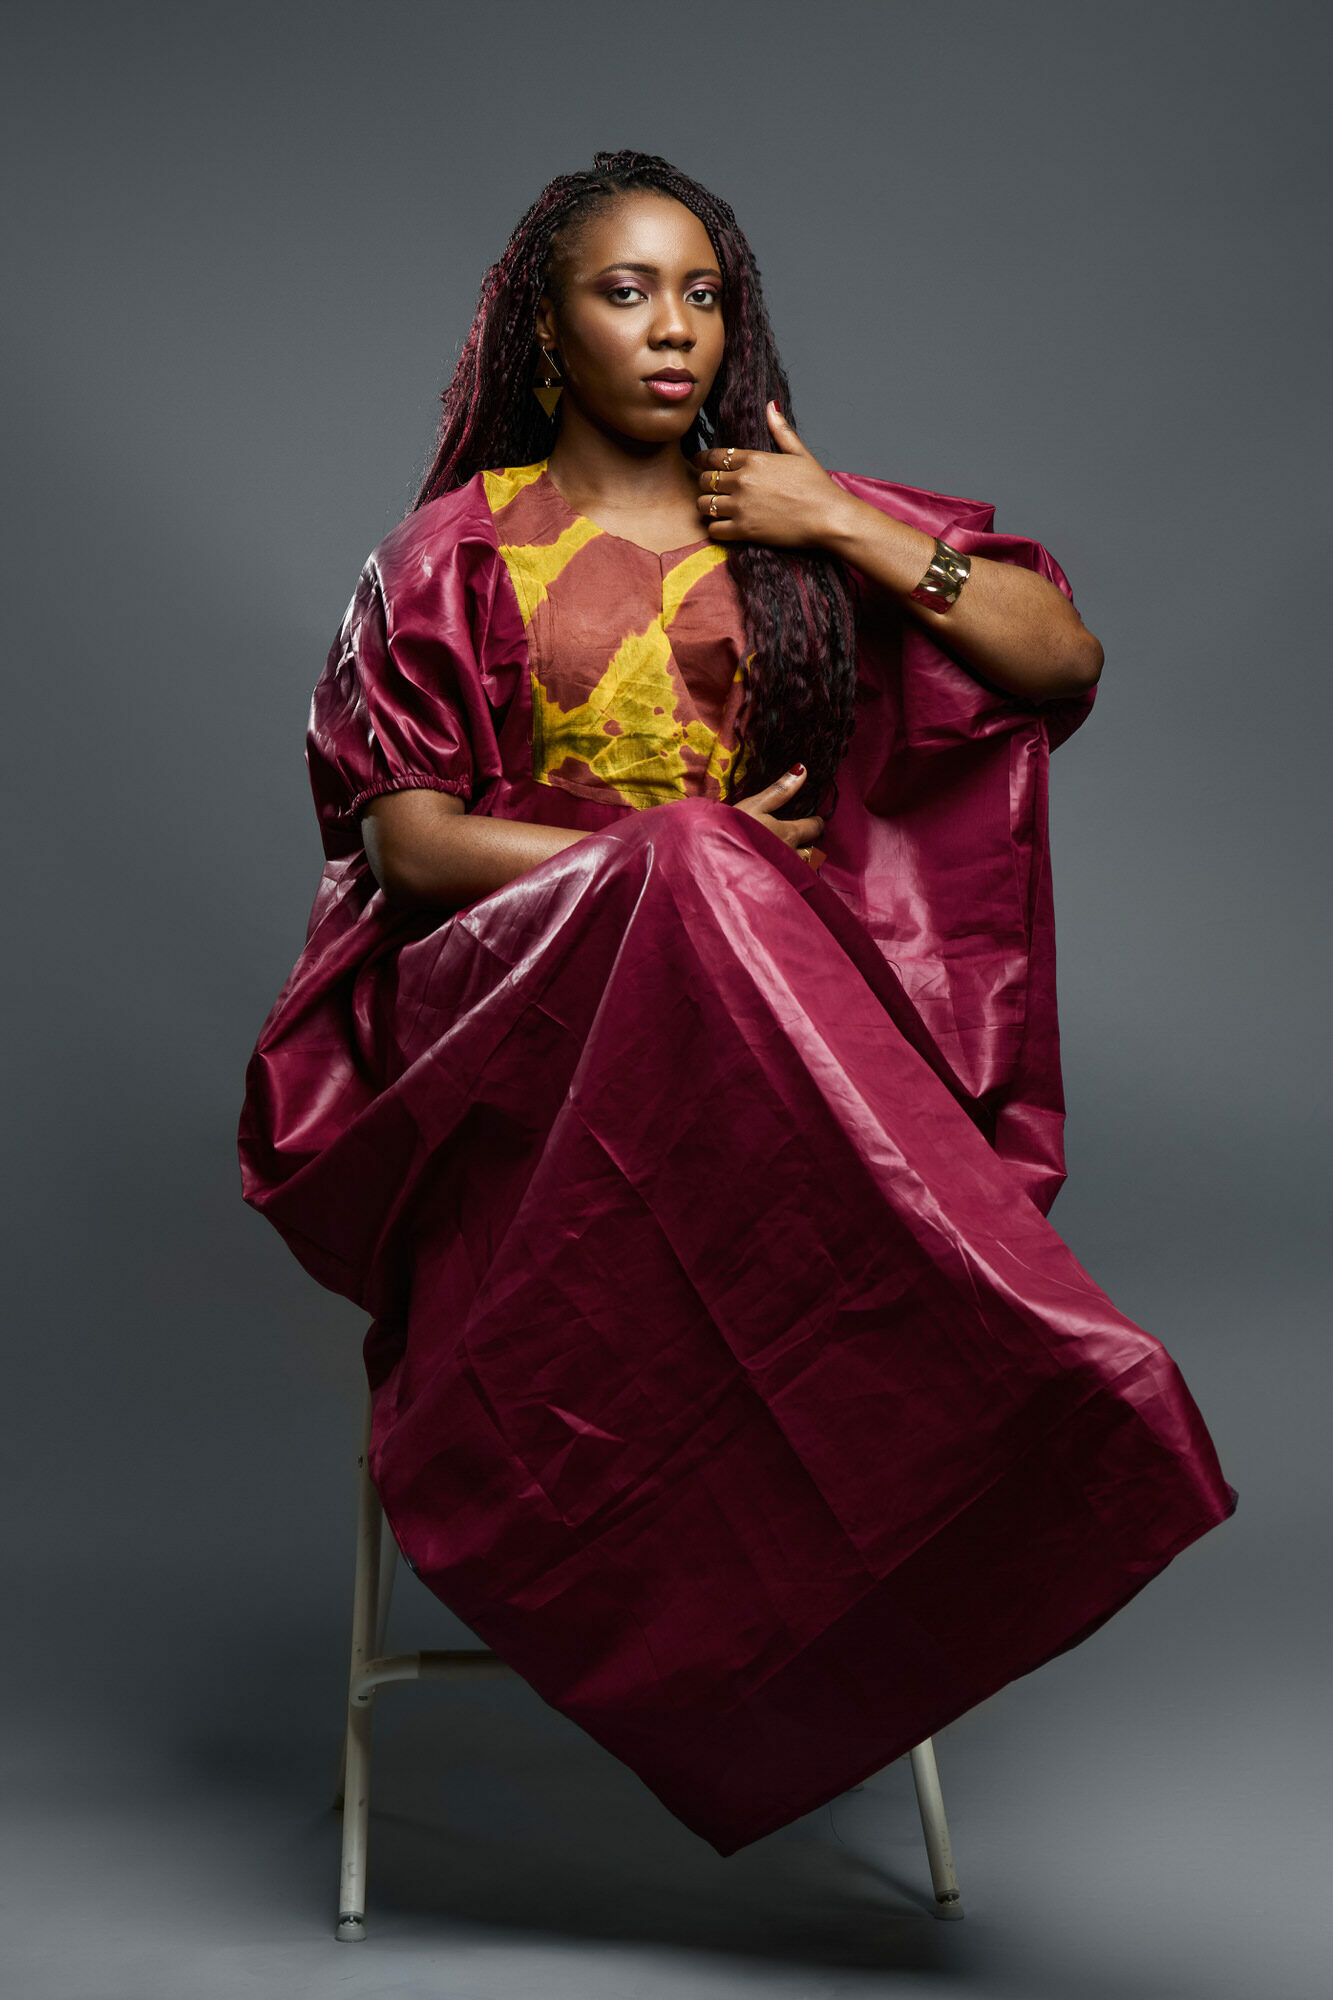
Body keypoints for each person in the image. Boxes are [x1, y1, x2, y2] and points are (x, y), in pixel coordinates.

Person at [238, 150, 1233, 1858]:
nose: (671, 328)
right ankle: (1031, 1344)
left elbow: (1058, 662)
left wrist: (840, 522)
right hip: (511, 1008)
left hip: (748, 1019)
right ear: (545, 332)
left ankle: (1014, 1421)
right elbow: (408, 848)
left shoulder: (789, 522)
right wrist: (670, 853)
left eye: (699, 292)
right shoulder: (449, 554)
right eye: (624, 291)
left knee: (731, 902)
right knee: (703, 857)